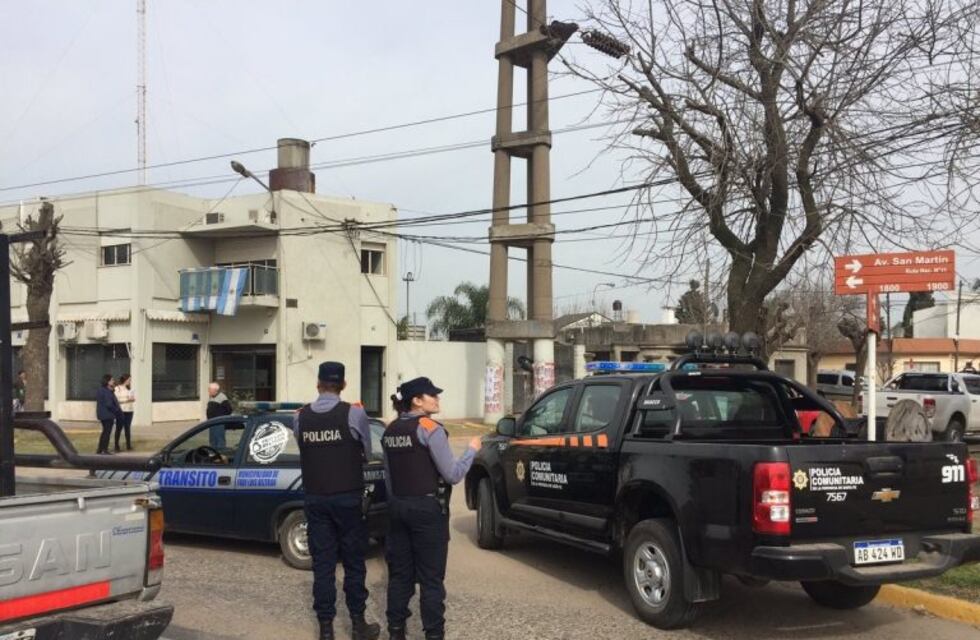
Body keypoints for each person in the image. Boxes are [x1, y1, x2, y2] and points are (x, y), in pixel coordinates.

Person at [382, 376, 482, 640]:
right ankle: (434, 635)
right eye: (432, 395)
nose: (437, 399)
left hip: (398, 509)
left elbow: (389, 478)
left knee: (400, 576)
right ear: (417, 400)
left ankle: (395, 632)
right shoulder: (430, 428)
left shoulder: (390, 429)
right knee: (431, 580)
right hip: (427, 510)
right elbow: (452, 475)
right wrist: (471, 451)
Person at [293, 362, 381, 640]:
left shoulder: (300, 417)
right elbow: (365, 451)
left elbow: (304, 448)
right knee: (354, 563)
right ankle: (358, 625)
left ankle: (326, 631)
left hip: (316, 498)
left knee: (323, 566)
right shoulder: (354, 414)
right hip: (347, 498)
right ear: (343, 385)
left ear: (318, 384)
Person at [95, 374, 124, 455]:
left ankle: (100, 449)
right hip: (107, 414)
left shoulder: (101, 390)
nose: (113, 381)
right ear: (107, 381)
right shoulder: (106, 391)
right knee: (107, 432)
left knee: (104, 432)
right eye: (111, 380)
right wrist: (116, 410)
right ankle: (104, 449)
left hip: (102, 414)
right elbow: (109, 404)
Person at [206, 382, 233, 449]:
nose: (208, 391)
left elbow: (229, 410)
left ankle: (221, 454)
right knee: (212, 440)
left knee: (219, 440)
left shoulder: (222, 397)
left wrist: (221, 417)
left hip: (219, 423)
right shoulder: (211, 397)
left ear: (215, 390)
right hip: (212, 422)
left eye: (209, 389)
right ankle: (213, 453)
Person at [113, 373, 135, 451]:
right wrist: (126, 400)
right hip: (121, 411)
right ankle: (116, 445)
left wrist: (132, 399)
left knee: (127, 428)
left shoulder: (129, 389)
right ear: (125, 380)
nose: (130, 381)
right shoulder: (117, 388)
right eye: (129, 379)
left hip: (129, 410)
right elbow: (116, 400)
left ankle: (128, 445)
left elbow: (132, 398)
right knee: (119, 428)